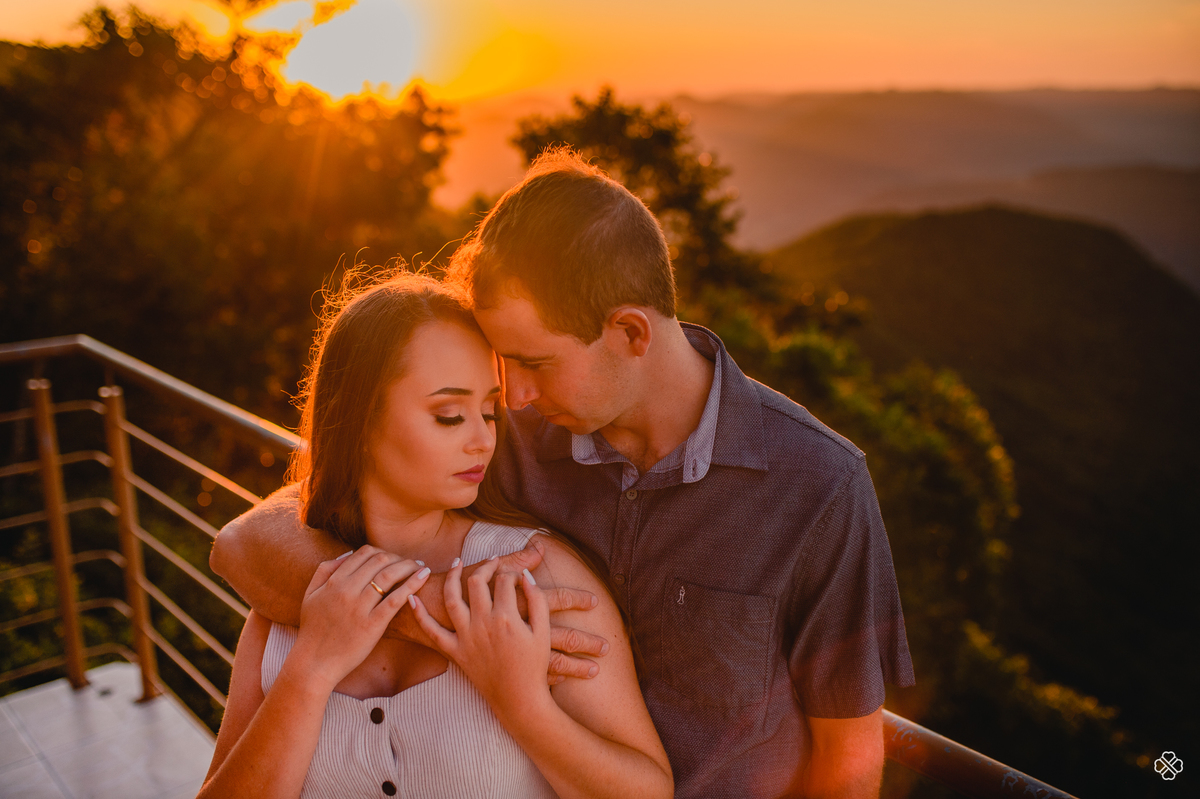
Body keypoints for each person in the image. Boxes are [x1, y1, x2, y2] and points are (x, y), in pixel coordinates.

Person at [212, 149, 914, 799]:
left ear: (631, 333)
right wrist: (440, 615)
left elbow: (848, 759)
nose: (511, 396)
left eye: (533, 363)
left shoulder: (818, 484)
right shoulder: (509, 435)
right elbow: (252, 537)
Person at [199, 273, 672, 799]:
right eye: (449, 416)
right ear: (359, 419)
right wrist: (311, 668)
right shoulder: (290, 585)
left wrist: (523, 706)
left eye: (489, 412)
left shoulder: (534, 574)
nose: (482, 440)